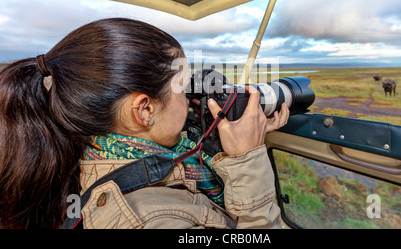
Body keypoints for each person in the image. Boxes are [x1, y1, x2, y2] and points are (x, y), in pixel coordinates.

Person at [0, 18, 289, 229]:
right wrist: (247, 162)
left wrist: (232, 138)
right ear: (144, 110)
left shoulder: (83, 151)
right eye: (182, 88)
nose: (189, 100)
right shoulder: (147, 220)